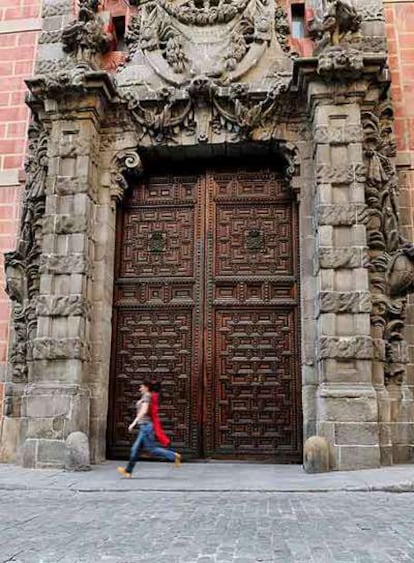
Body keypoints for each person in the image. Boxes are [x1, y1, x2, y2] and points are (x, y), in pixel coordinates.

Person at [117, 381, 181, 478]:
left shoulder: (147, 396)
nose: (140, 389)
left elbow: (144, 410)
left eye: (141, 387)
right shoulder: (147, 396)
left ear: (146, 387)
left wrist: (133, 423)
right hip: (144, 426)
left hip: (146, 427)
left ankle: (173, 455)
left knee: (151, 449)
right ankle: (128, 471)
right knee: (135, 449)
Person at [149, 382, 171, 448]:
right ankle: (166, 442)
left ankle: (166, 442)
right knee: (157, 430)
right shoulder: (157, 394)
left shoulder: (153, 395)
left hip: (152, 414)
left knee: (157, 430)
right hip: (154, 414)